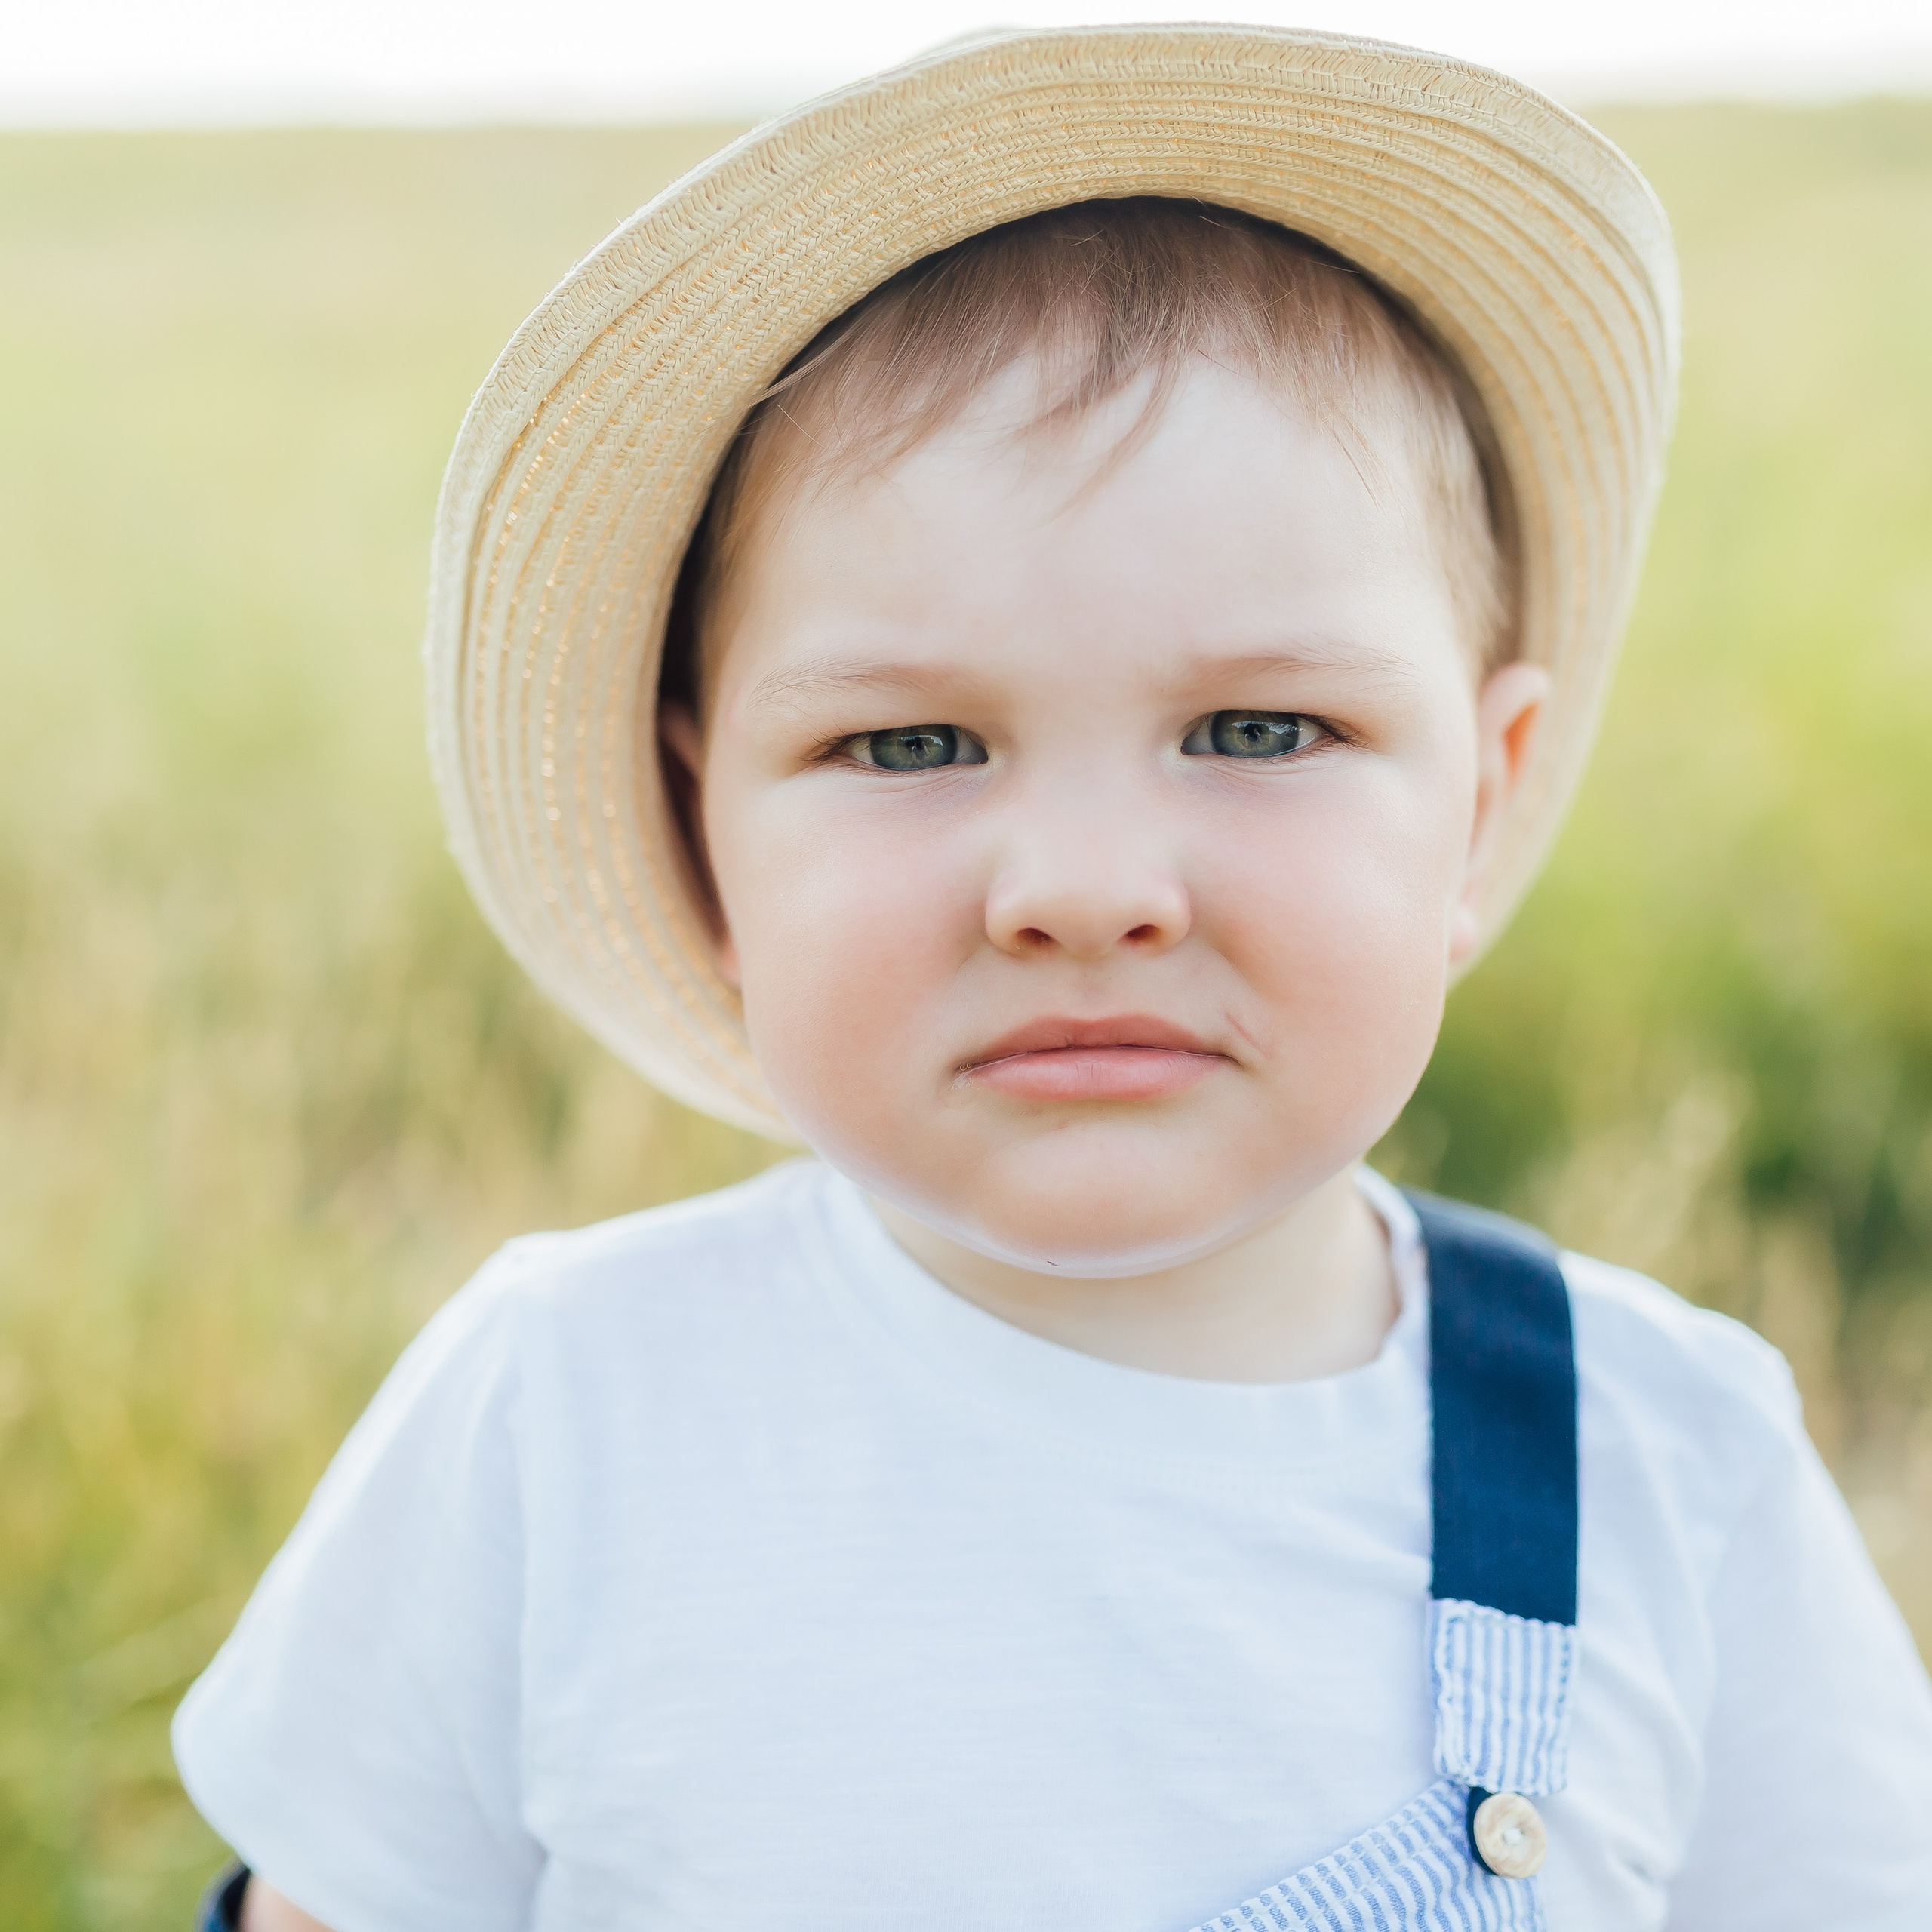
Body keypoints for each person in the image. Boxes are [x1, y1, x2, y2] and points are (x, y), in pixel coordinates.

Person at [173, 25, 1932, 1932]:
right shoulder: (563, 1407)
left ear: (1482, 806)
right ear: (705, 839)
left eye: (1259, 728)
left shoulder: (1666, 1457)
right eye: (911, 747)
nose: (1084, 891)